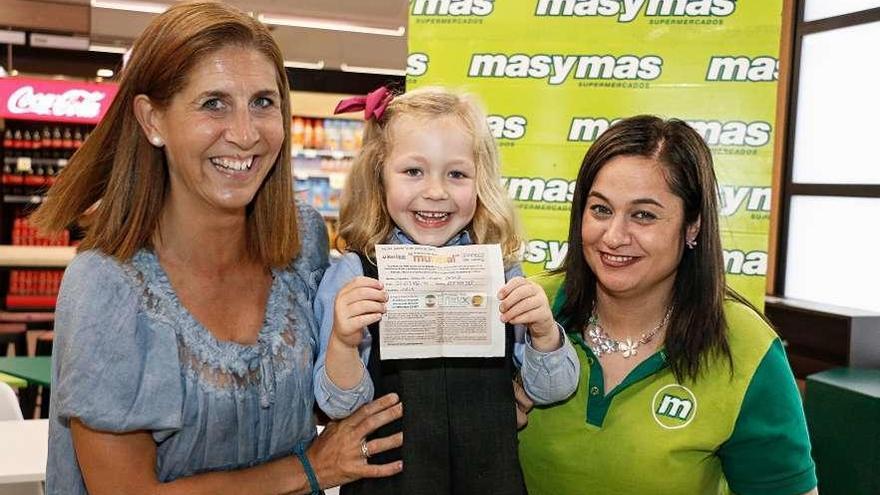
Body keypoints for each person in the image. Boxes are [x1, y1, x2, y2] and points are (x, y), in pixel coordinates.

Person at [34, 3, 404, 494]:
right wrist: (310, 469)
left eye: (263, 102)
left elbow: (323, 397)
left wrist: (491, 386)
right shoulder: (108, 284)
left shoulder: (301, 242)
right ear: (152, 120)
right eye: (214, 103)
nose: (246, 134)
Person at [517, 115, 819, 495]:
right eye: (600, 210)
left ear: (692, 226)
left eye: (643, 215)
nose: (614, 236)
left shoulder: (745, 344)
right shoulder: (526, 311)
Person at [313, 86, 580, 494]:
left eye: (456, 174)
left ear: (481, 182)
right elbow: (340, 406)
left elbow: (552, 389)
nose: (436, 191)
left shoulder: (501, 271)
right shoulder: (354, 273)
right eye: (413, 172)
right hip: (391, 483)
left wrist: (544, 333)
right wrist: (344, 343)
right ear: (378, 173)